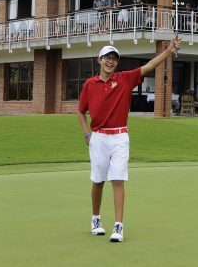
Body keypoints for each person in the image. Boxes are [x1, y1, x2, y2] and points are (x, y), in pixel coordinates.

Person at [78, 38, 182, 242]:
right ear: (99, 60)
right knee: (98, 181)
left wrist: (169, 50)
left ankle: (118, 226)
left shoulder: (124, 79)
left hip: (119, 136)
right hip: (98, 138)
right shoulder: (90, 84)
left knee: (117, 179)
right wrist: (87, 134)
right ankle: (96, 219)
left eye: (114, 59)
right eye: (107, 58)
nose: (110, 62)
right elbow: (81, 111)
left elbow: (149, 66)